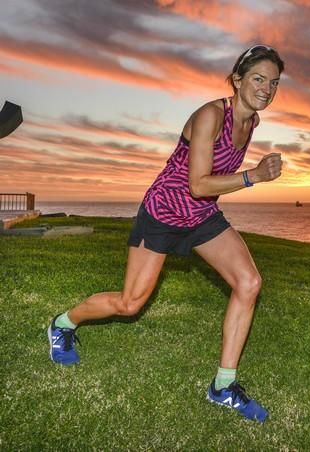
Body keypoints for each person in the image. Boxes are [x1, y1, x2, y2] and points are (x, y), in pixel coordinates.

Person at [47, 45, 285, 423]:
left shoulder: (251, 122)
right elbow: (198, 184)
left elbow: (206, 195)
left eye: (274, 83)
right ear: (238, 79)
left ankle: (223, 386)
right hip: (164, 212)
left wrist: (247, 176)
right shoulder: (210, 115)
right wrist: (252, 176)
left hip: (202, 216)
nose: (267, 89)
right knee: (130, 303)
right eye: (259, 79)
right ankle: (63, 324)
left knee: (249, 282)